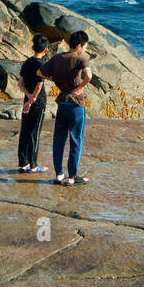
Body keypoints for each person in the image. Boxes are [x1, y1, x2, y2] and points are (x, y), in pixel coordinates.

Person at [39, 30, 93, 186]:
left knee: (59, 140)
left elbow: (39, 72)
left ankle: (59, 175)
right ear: (79, 45)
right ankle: (72, 177)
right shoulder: (79, 58)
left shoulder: (57, 58)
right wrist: (80, 87)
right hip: (76, 105)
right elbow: (89, 76)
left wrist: (55, 79)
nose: (85, 49)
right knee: (76, 140)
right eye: (85, 46)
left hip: (62, 103)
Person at [17, 34, 50, 173]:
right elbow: (39, 86)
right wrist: (33, 100)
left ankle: (23, 163)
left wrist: (28, 97)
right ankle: (33, 165)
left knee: (25, 130)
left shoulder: (27, 62)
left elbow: (20, 83)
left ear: (32, 47)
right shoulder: (42, 65)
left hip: (27, 99)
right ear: (46, 50)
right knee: (34, 133)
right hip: (37, 102)